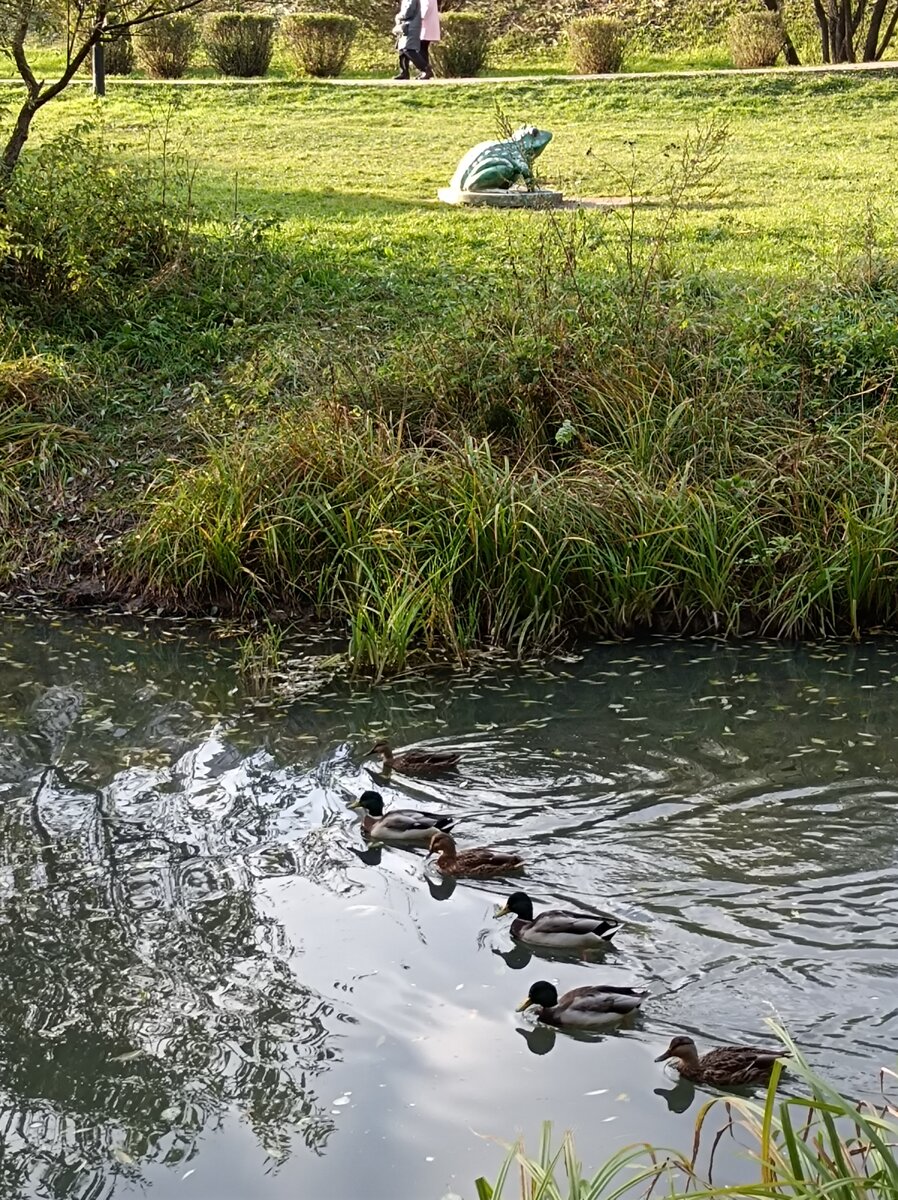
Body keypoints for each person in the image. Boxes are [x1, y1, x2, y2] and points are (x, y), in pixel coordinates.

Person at [393, 0, 430, 81]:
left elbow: (408, 11)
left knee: (408, 49)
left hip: (411, 26)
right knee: (402, 50)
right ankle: (404, 72)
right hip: (405, 26)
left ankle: (425, 69)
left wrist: (398, 16)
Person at [419, 0, 440, 77]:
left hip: (425, 25)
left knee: (421, 49)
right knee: (423, 49)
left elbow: (426, 7)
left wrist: (420, 17)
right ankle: (424, 71)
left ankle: (426, 70)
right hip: (427, 25)